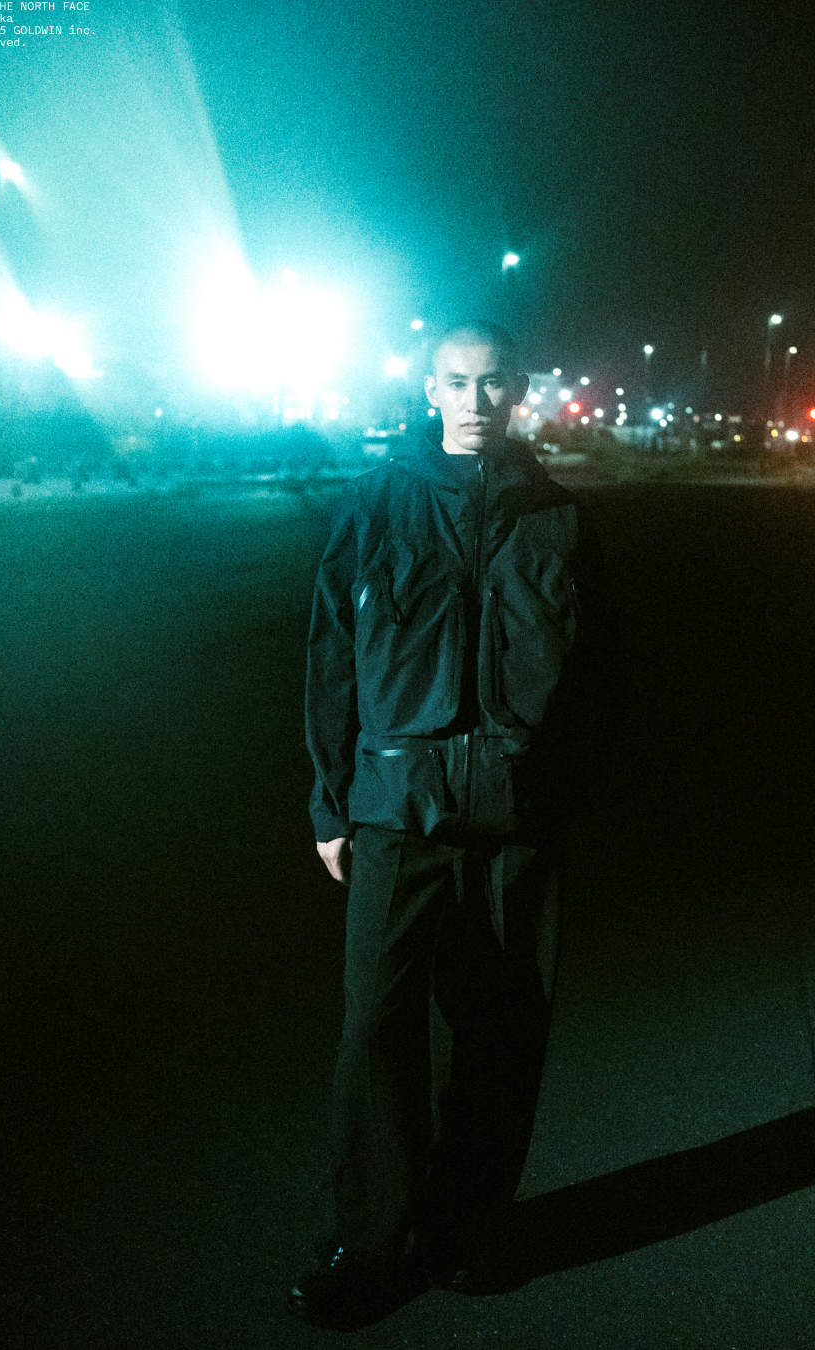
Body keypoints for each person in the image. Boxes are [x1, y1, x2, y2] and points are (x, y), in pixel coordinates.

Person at [290, 320, 617, 1330]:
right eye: (457, 382)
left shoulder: (561, 517)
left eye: (493, 383)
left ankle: (467, 1226)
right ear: (431, 389)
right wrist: (330, 801)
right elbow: (332, 656)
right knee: (376, 1025)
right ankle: (369, 1242)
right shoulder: (377, 502)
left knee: (502, 1029)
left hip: (517, 816)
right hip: (397, 809)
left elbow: (602, 674)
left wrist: (564, 789)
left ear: (519, 390)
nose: (476, 400)